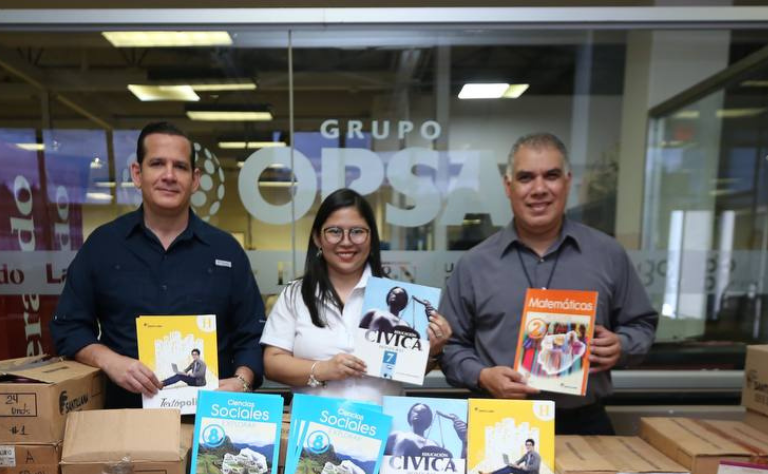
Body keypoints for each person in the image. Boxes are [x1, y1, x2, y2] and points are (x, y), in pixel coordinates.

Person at [439, 132, 658, 434]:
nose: (539, 189)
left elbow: (642, 325)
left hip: (585, 424)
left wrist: (622, 345)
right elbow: (449, 347)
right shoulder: (474, 264)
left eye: (551, 176)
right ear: (508, 186)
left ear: (567, 182)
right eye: (526, 177)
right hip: (499, 424)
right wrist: (482, 375)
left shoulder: (608, 255)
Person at [51, 121, 265, 408]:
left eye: (180, 166)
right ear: (137, 174)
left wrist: (242, 381)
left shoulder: (227, 251)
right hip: (123, 418)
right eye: (157, 163)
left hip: (209, 418)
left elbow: (252, 334)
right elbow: (68, 327)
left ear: (195, 179)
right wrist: (109, 360)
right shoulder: (103, 246)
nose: (169, 175)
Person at [261, 188, 452, 404]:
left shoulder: (394, 296)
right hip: (315, 423)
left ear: (371, 238)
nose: (346, 241)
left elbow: (408, 369)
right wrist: (323, 369)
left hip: (381, 421)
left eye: (357, 231)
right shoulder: (296, 295)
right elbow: (272, 363)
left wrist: (433, 350)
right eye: (334, 231)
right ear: (317, 238)